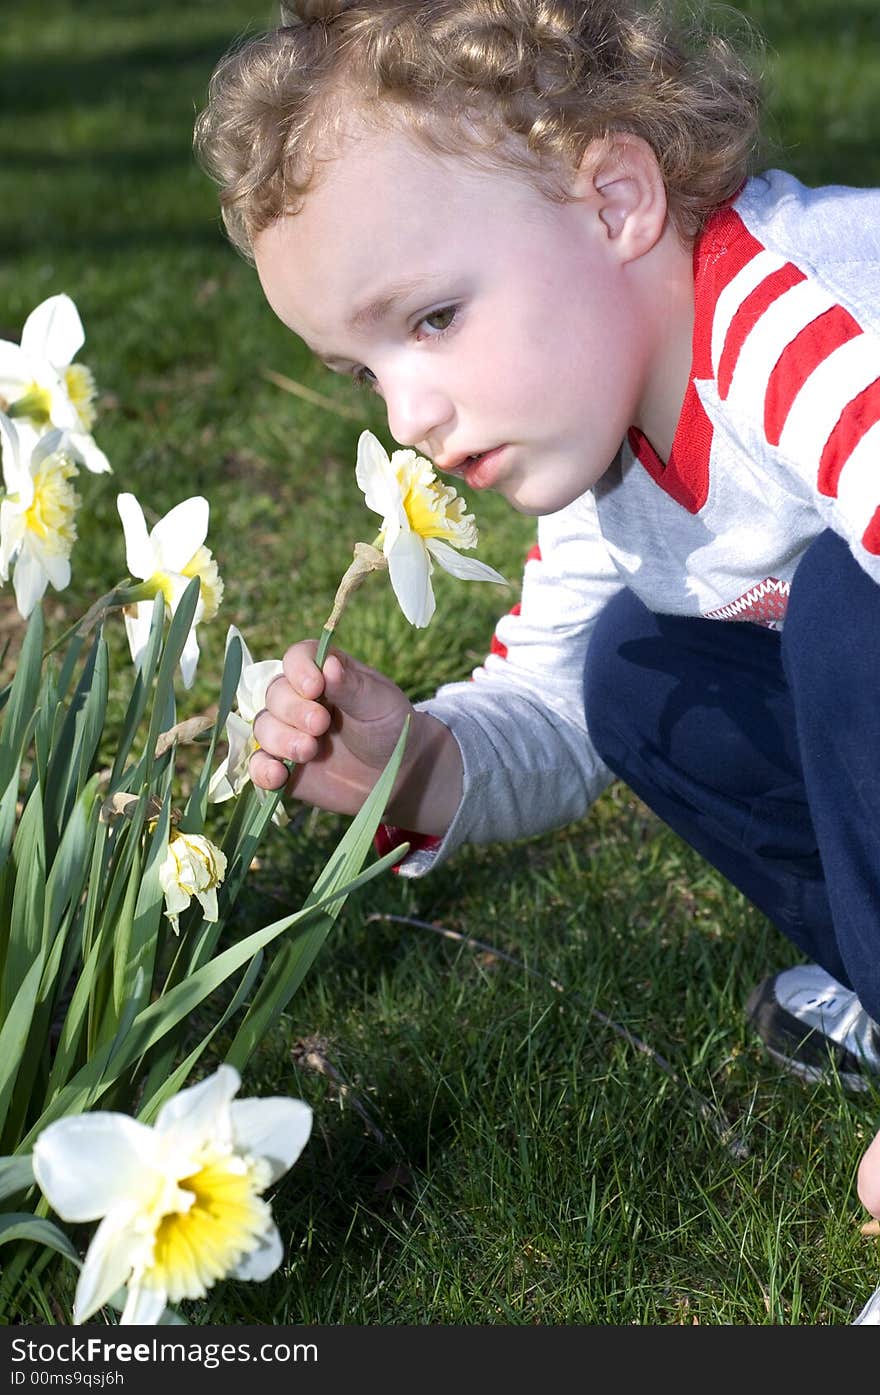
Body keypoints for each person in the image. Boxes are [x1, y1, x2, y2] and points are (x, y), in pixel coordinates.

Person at [194, 0, 880, 1226]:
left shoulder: (815, 338)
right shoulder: (609, 448)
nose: (406, 415)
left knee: (847, 610)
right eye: (366, 370)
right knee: (636, 672)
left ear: (614, 203)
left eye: (434, 320)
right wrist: (409, 767)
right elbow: (558, 716)